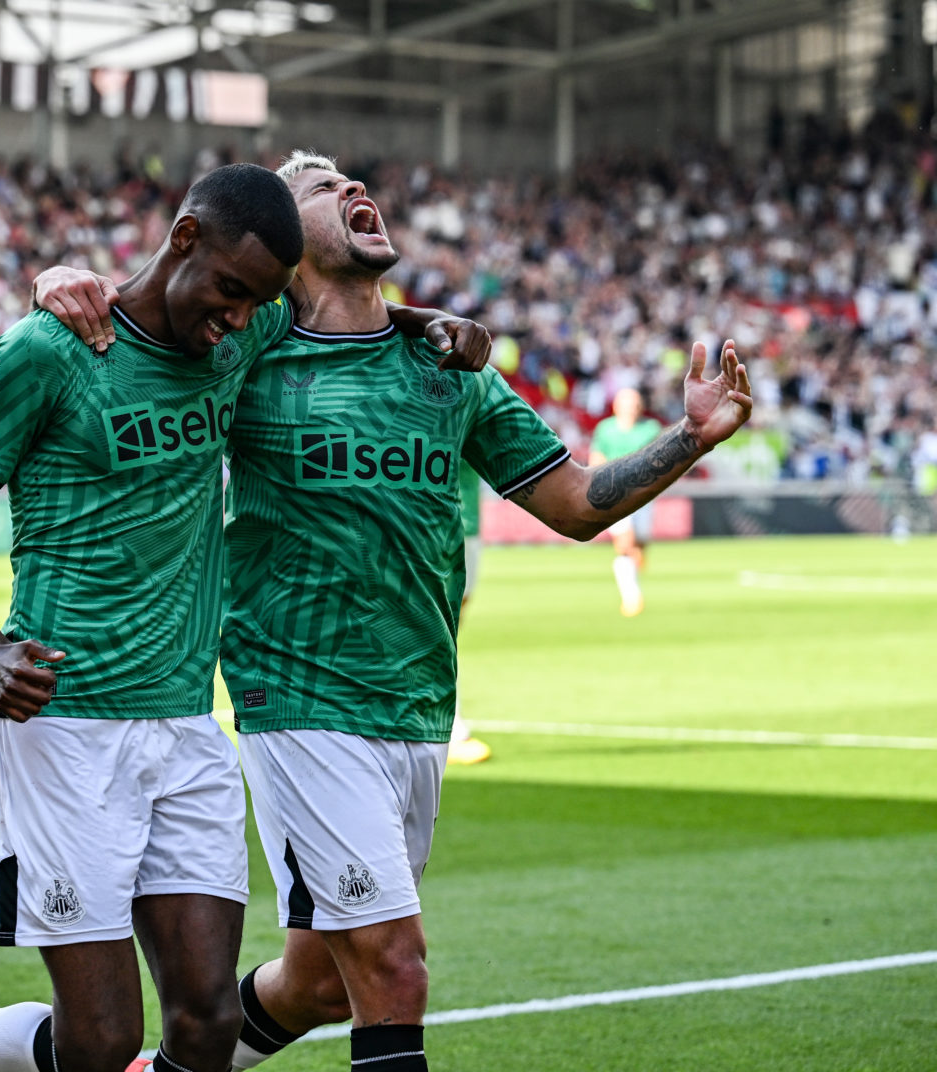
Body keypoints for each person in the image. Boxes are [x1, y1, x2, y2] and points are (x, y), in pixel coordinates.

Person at [38, 150, 752, 1072]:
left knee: (319, 983)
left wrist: (689, 437)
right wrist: (61, 281)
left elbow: (576, 505)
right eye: (323, 190)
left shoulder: (449, 369)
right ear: (284, 245)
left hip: (415, 706)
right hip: (297, 701)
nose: (352, 189)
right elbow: (138, 318)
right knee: (395, 968)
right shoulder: (247, 355)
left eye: (351, 181)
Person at [0, 164, 307, 1072]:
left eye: (258, 302)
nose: (239, 319)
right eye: (231, 293)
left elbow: (329, 297)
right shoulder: (52, 349)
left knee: (207, 1024)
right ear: (185, 237)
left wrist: (426, 326)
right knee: (105, 1037)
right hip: (64, 726)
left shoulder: (242, 331)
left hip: (187, 722)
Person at [588, 387, 664, 616]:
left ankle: (637, 557)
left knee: (640, 542)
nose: (631, 407)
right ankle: (631, 598)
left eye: (635, 403)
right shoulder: (606, 429)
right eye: (626, 402)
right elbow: (597, 457)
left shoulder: (650, 429)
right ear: (616, 406)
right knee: (625, 544)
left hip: (642, 495)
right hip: (615, 495)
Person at [446, 463, 491, 766]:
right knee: (442, 631)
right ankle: (449, 728)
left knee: (451, 629)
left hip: (468, 526)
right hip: (441, 527)